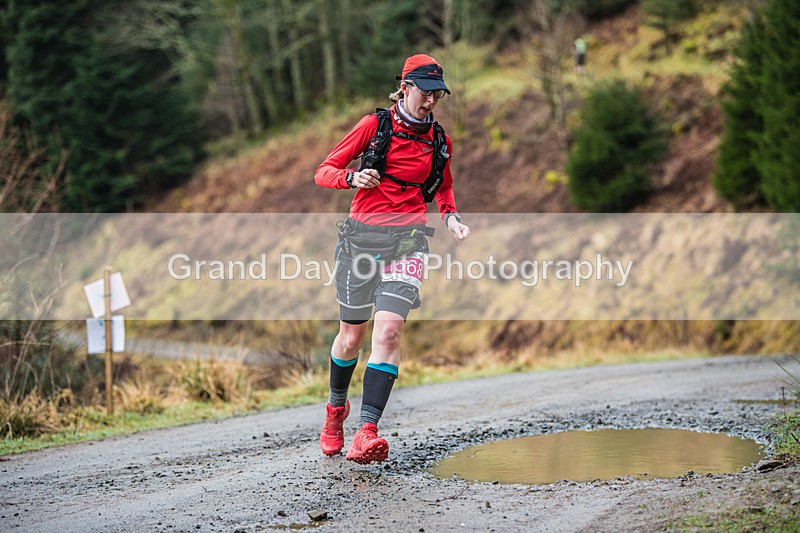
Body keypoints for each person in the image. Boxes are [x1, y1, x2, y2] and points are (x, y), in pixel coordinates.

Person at [313, 53, 470, 464]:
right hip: (360, 243)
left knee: (389, 333)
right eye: (425, 91)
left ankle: (366, 431)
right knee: (351, 338)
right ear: (405, 86)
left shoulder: (439, 141)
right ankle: (335, 411)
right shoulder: (375, 126)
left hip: (409, 242)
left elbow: (444, 187)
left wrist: (451, 218)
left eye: (437, 94)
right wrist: (352, 177)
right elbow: (324, 170)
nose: (432, 100)